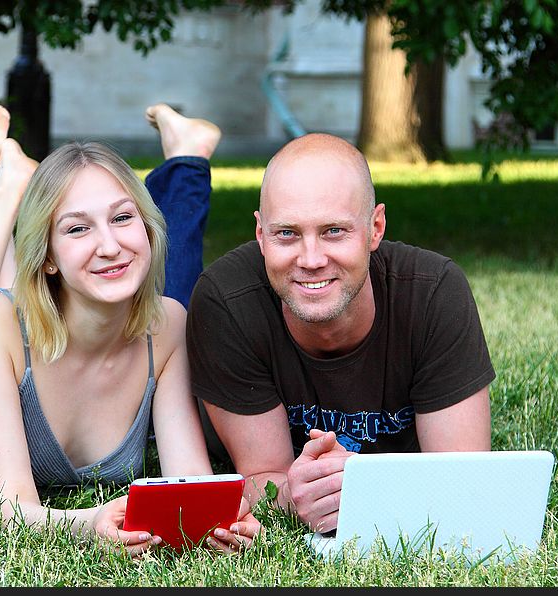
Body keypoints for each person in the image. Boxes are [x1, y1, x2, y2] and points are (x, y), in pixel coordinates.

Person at [0, 103, 260, 556]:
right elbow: (15, 515)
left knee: (8, 311)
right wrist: (91, 522)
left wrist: (220, 524)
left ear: (149, 229)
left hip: (24, 335)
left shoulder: (167, 324)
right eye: (78, 229)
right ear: (48, 256)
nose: (111, 246)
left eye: (122, 218)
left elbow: (188, 483)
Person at [186, 133, 495, 534]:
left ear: (375, 228)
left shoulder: (433, 293)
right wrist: (291, 493)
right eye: (287, 233)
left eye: (334, 231)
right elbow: (262, 474)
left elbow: (464, 481)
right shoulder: (226, 302)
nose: (311, 259)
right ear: (260, 235)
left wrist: (370, 485)